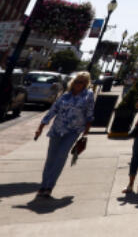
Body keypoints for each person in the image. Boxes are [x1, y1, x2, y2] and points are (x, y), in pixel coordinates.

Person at [33, 70, 94, 198]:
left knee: (61, 157)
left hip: (73, 131)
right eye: (77, 81)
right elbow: (53, 110)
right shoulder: (65, 95)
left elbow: (89, 113)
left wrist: (86, 131)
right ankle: (43, 185)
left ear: (86, 83)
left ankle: (49, 186)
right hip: (57, 129)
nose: (78, 84)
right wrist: (41, 127)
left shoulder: (88, 95)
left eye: (82, 82)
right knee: (50, 158)